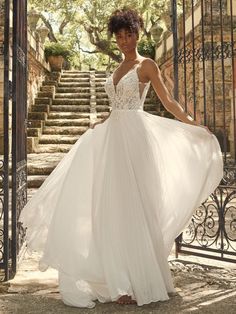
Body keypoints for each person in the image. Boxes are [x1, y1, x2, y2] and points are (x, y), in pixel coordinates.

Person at [19, 7, 224, 308]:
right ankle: (118, 280)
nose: (124, 41)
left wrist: (193, 123)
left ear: (137, 34)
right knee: (112, 206)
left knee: (136, 206)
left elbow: (168, 102)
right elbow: (117, 105)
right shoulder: (117, 66)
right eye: (119, 36)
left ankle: (137, 280)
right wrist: (102, 122)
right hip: (112, 138)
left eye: (128, 35)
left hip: (135, 139)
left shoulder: (147, 64)